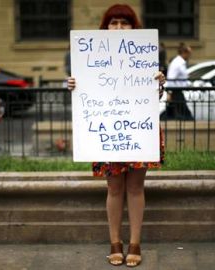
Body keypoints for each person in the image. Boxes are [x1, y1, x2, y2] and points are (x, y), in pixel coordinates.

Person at [67, 4, 166, 267]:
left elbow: (153, 99)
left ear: (134, 26)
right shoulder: (89, 55)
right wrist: (74, 86)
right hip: (106, 130)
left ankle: (134, 242)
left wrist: (158, 83)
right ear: (105, 27)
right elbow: (87, 96)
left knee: (135, 187)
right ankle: (115, 242)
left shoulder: (144, 53)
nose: (119, 28)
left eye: (124, 22)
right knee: (114, 187)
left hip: (138, 130)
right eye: (114, 23)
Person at [166, 43, 194, 120]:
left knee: (177, 113)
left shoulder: (180, 63)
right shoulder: (177, 63)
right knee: (185, 114)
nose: (190, 56)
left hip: (178, 91)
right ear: (184, 53)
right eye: (189, 53)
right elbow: (171, 78)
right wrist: (170, 92)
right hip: (176, 91)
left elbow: (182, 78)